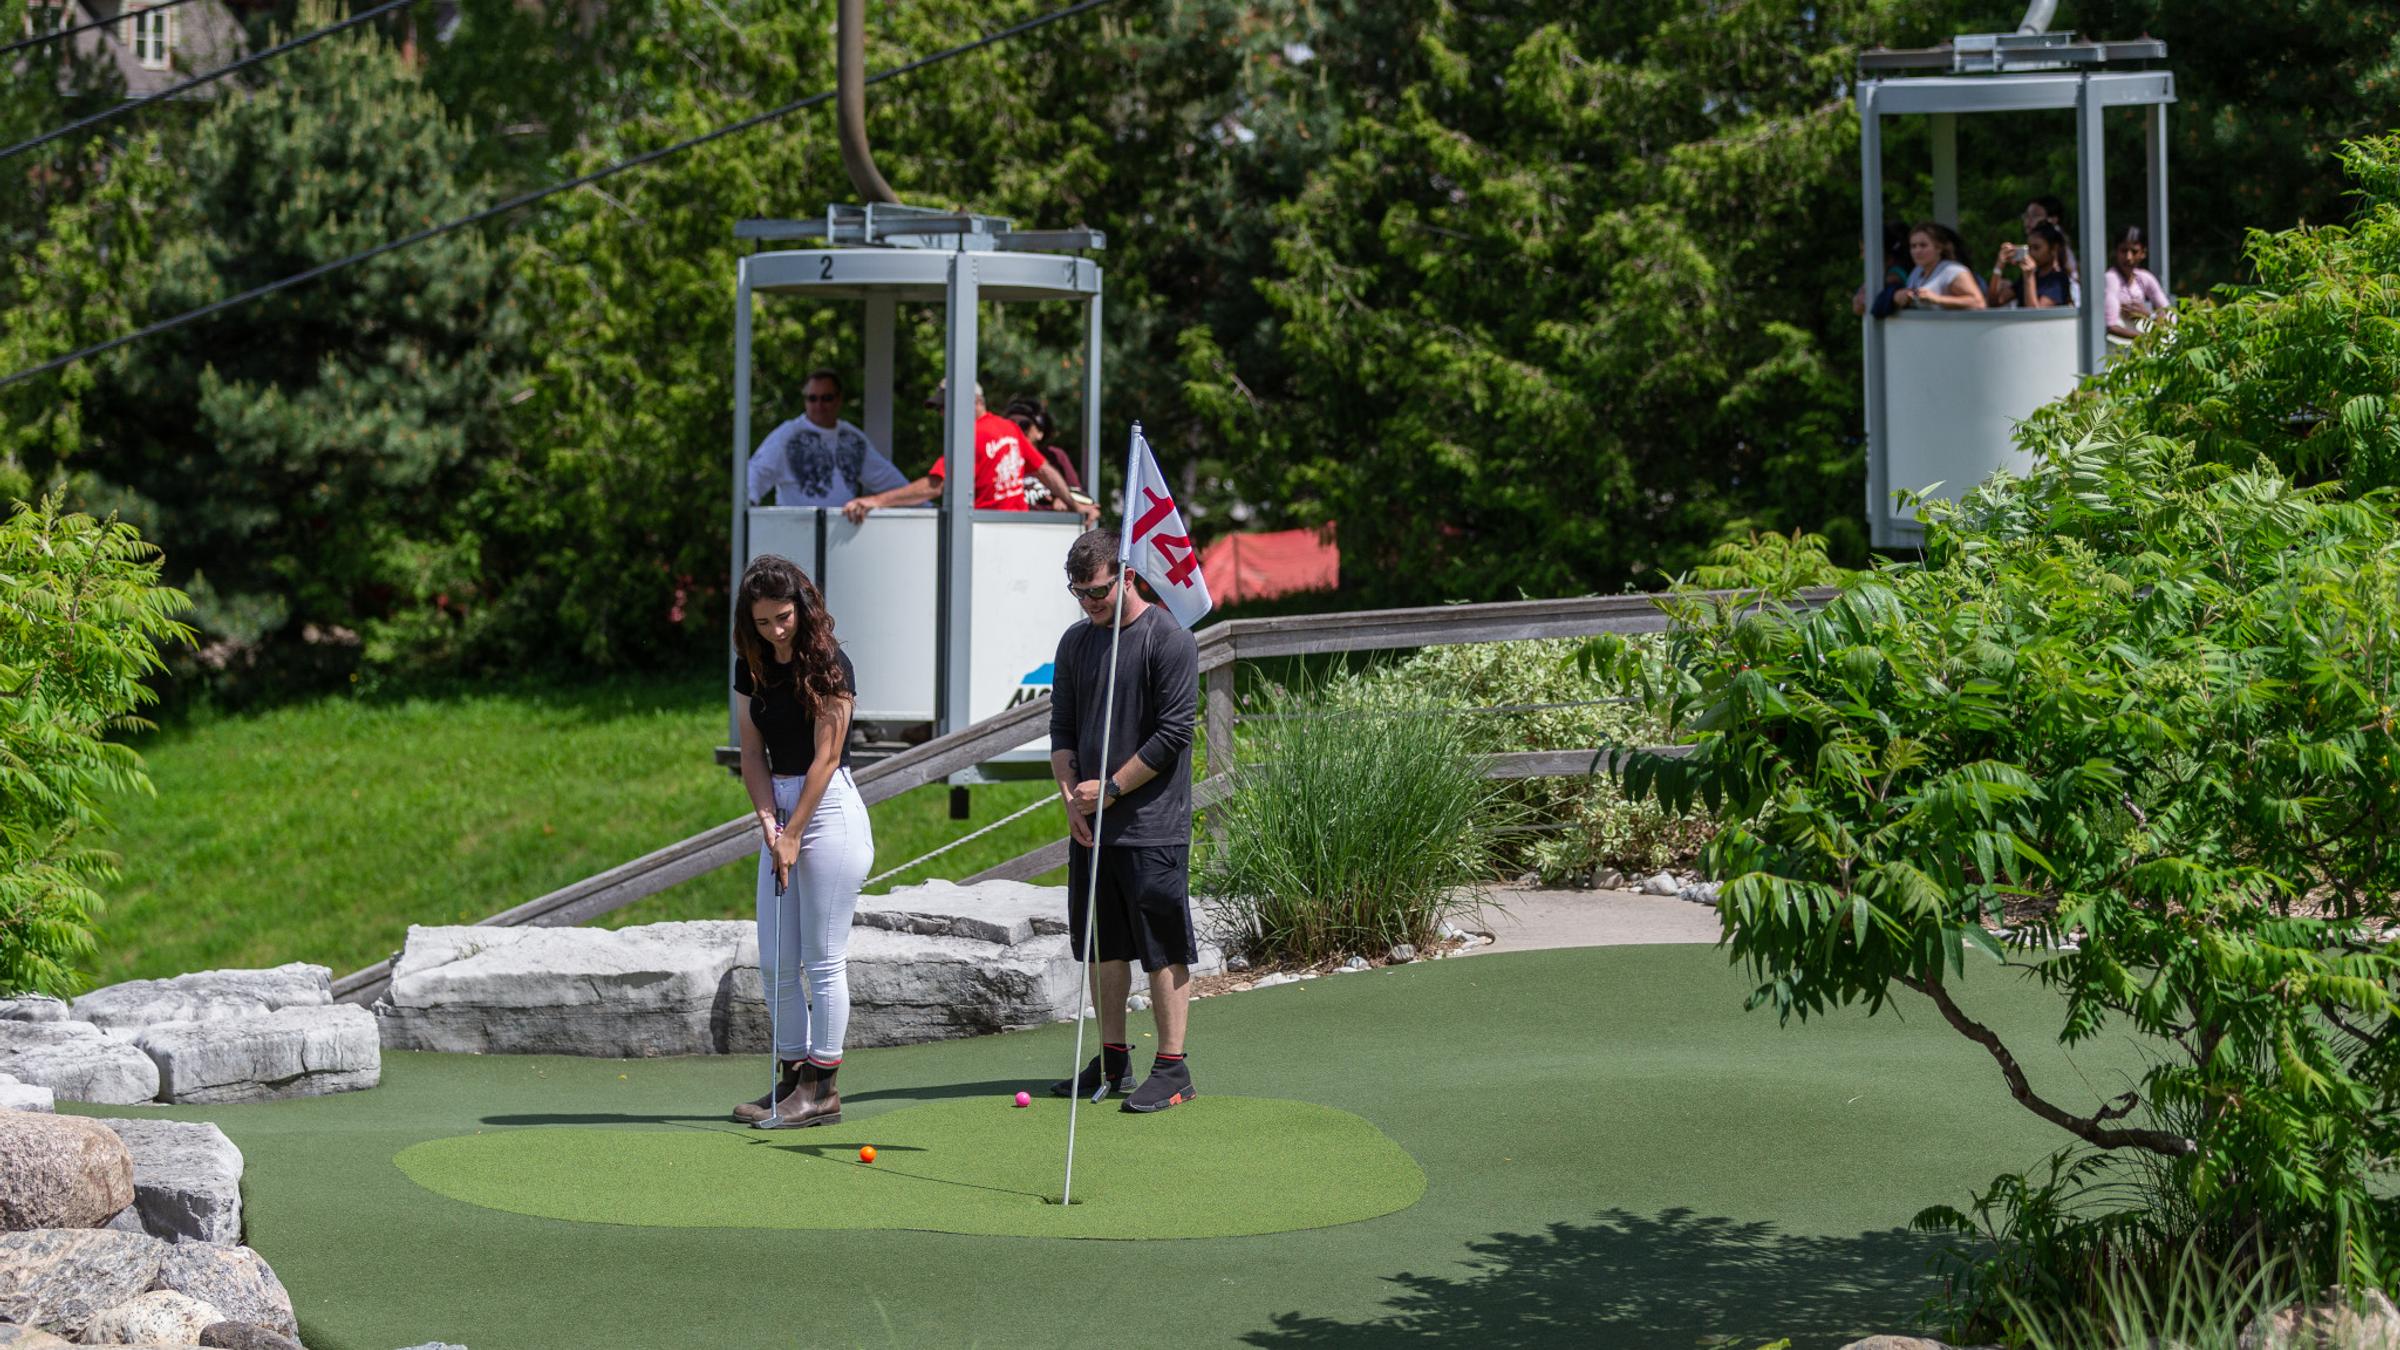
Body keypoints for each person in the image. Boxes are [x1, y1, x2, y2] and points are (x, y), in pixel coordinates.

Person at [1046, 528, 1201, 1113]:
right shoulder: (1076, 642)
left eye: (1098, 592)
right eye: (1079, 593)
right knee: (1102, 946)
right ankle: (1113, 1060)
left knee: (1161, 946)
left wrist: (1111, 789)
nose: (1089, 604)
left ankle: (1173, 1067)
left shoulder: (1169, 639)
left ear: (1127, 576)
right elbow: (1062, 728)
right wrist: (1071, 798)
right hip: (1093, 826)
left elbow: (1173, 735)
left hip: (1152, 825)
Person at [728, 553, 875, 1130]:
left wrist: (792, 833)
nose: (775, 630)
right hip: (782, 808)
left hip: (829, 808)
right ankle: (791, 1079)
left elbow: (827, 756)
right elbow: (750, 751)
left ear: (803, 608)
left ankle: (823, 1088)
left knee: (822, 957)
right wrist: (769, 823)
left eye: (783, 617)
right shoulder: (752, 664)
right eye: (763, 623)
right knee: (776, 962)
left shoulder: (832, 664)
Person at [840, 379, 1097, 526]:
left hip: (981, 530)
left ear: (972, 401)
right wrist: (1076, 506)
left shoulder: (968, 435)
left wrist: (875, 501)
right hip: (1018, 529)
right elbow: (1045, 471)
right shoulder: (1008, 428)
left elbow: (934, 486)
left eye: (945, 406)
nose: (942, 414)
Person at [744, 368, 912, 510]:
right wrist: (747, 509)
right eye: (812, 398)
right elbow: (757, 473)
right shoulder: (787, 435)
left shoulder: (852, 439)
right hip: (794, 532)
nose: (819, 405)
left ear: (839, 399)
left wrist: (924, 504)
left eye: (826, 398)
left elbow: (887, 479)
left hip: (842, 535)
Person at [1002, 395, 1095, 516]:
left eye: (1024, 425)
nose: (1017, 430)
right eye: (1011, 425)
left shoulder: (1055, 456)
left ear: (1040, 432)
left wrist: (1063, 499)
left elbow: (1081, 496)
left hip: (1050, 527)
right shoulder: (1000, 458)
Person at [1890, 223, 1987, 311]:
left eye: (1923, 245)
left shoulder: (1952, 271)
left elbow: (1978, 303)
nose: (1917, 251)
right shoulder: (1917, 271)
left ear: (1938, 248)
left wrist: (1937, 299)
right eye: (1913, 246)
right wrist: (1899, 297)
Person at [2103, 225, 2171, 341]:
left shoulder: (2144, 278)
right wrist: (2147, 338)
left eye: (2134, 251)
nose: (2128, 257)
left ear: (2143, 253)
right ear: (2116, 251)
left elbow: (2169, 314)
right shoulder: (2110, 278)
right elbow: (2110, 326)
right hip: (2118, 350)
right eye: (2123, 251)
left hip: (2141, 348)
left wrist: (2148, 315)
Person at [1988, 221, 2075, 309]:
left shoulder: (2058, 280)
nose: (2031, 253)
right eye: (2029, 248)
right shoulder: (2027, 278)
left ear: (2053, 249)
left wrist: (2029, 276)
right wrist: (1999, 266)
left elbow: (2035, 314)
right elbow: (1993, 303)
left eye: (2036, 248)